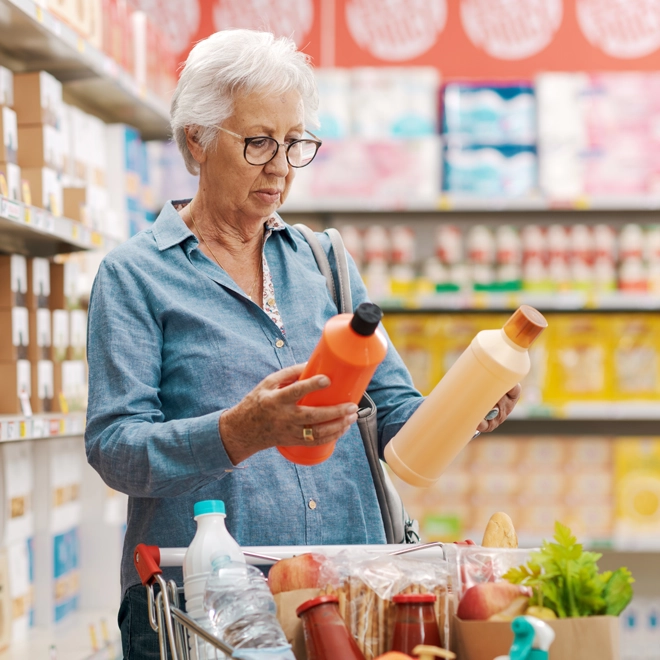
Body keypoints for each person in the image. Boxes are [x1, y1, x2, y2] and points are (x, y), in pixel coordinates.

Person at [84, 29, 521, 659]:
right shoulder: (135, 277)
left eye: (295, 144)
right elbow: (115, 448)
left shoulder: (326, 262)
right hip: (207, 616)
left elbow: (396, 415)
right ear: (195, 142)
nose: (281, 166)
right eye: (259, 142)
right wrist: (241, 430)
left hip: (346, 602)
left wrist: (465, 405)